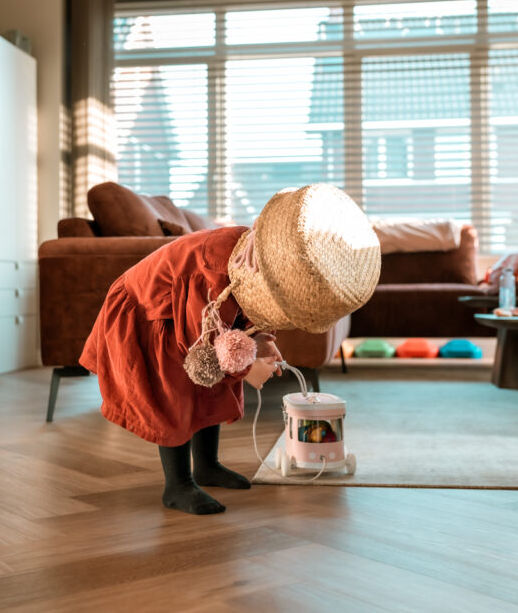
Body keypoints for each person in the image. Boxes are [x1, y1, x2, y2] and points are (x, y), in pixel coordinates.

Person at [80, 184, 380, 515]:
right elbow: (200, 349)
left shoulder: (247, 255)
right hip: (152, 314)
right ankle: (177, 484)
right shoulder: (212, 273)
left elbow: (251, 301)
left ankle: (206, 465)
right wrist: (248, 368)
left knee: (211, 393)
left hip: (193, 314)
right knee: (176, 394)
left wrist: (261, 338)